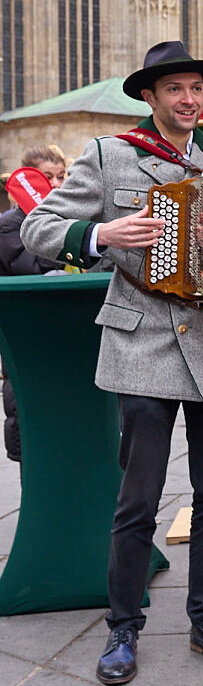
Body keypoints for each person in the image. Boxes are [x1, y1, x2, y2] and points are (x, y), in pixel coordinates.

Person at [22, 41, 203, 686]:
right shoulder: (109, 155)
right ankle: (122, 629)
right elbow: (38, 226)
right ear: (149, 98)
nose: (188, 100)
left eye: (195, 89)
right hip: (142, 342)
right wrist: (99, 236)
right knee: (138, 501)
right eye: (174, 89)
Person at [0, 145, 68, 462]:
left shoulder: (70, 218)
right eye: (47, 177)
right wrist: (43, 220)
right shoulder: (9, 226)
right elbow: (35, 270)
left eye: (61, 176)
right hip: (29, 344)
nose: (55, 184)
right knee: (35, 447)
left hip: (67, 338)